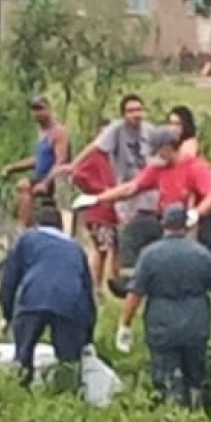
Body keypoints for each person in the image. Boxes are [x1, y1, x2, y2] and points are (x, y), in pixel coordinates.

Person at [115, 205, 211, 409]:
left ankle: (172, 412)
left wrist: (125, 325)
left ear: (164, 225)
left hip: (162, 324)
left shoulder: (150, 255)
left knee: (165, 373)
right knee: (195, 373)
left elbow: (135, 294)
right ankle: (196, 407)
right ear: (186, 226)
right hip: (196, 323)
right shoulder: (202, 254)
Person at [72, 127, 211, 294]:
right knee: (135, 229)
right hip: (163, 218)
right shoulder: (158, 168)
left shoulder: (195, 167)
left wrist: (196, 212)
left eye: (158, 151)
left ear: (168, 147)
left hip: (187, 220)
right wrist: (98, 198)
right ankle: (129, 278)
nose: (156, 156)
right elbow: (131, 188)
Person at [0, 206, 97, 388]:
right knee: (68, 362)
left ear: (36, 224)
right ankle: (67, 398)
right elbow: (88, 293)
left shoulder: (27, 240)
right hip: (70, 302)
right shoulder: (75, 248)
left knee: (23, 355)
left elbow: (9, 280)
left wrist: (7, 314)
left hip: (33, 299)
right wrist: (88, 337)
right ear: (61, 227)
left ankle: (20, 392)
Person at [65, 94, 156, 289]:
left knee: (122, 247)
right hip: (113, 203)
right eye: (131, 111)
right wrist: (77, 168)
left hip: (145, 196)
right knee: (106, 249)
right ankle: (98, 287)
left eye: (139, 110)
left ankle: (124, 285)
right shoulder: (112, 137)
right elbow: (85, 163)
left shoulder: (151, 132)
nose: (136, 115)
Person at [2, 95, 70, 228]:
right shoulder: (42, 132)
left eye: (40, 109)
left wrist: (46, 183)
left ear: (49, 109)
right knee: (21, 186)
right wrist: (12, 167)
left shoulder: (58, 132)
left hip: (57, 181)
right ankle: (26, 225)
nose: (37, 113)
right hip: (41, 178)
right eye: (34, 109)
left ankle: (23, 230)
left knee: (24, 186)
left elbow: (60, 162)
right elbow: (38, 159)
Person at [71, 119, 120, 288]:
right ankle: (94, 286)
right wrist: (97, 189)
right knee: (102, 249)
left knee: (116, 249)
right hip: (99, 212)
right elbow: (77, 175)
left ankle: (116, 284)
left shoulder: (116, 156)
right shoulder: (94, 156)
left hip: (115, 212)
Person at [168, 103, 211, 256]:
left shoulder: (189, 144)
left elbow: (185, 163)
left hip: (198, 198)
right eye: (171, 124)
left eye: (177, 124)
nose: (173, 128)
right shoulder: (173, 145)